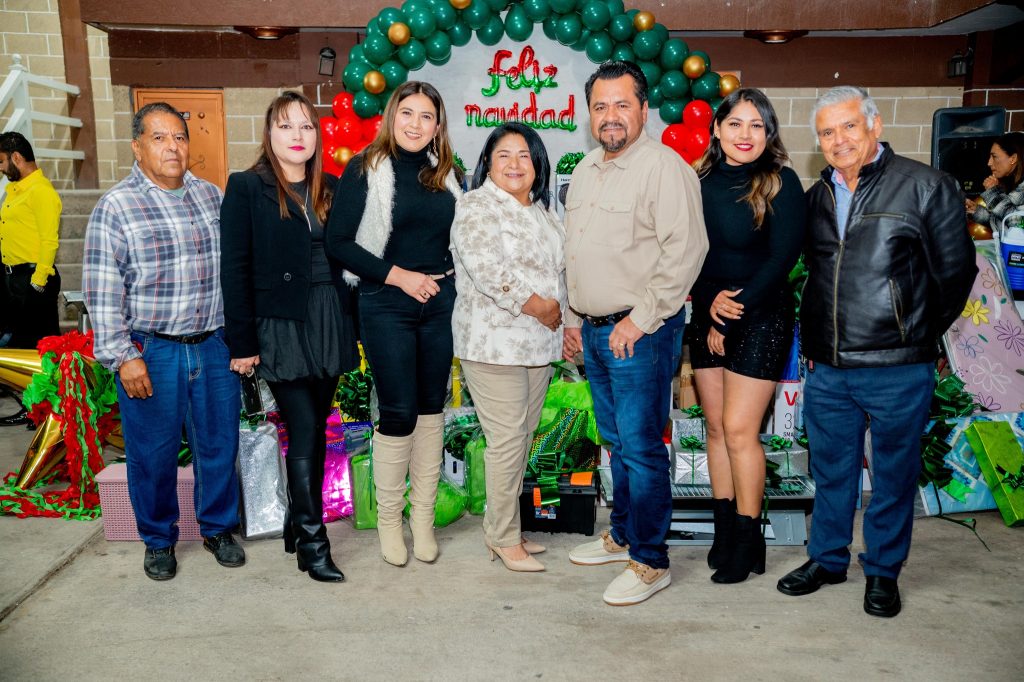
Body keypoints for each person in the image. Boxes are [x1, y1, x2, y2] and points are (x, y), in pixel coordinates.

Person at [777, 86, 976, 617]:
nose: (838, 140)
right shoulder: (815, 196)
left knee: (892, 474)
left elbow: (956, 273)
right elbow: (814, 275)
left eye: (848, 127)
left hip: (897, 366)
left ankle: (883, 571)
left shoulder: (926, 186)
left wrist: (916, 335)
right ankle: (828, 558)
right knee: (833, 472)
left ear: (874, 126)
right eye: (826, 132)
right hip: (829, 369)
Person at [562, 61, 708, 606]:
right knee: (616, 442)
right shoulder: (586, 171)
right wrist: (575, 318)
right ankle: (623, 534)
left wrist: (639, 320)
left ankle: (651, 560)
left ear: (644, 109)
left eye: (622, 104)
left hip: (639, 333)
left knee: (643, 448)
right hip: (596, 335)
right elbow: (575, 251)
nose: (611, 116)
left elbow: (686, 252)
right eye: (600, 106)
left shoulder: (666, 169)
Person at [83, 102, 245, 581]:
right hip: (152, 351)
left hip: (213, 345)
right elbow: (102, 287)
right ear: (137, 146)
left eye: (179, 137)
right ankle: (158, 539)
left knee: (218, 443)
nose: (173, 147)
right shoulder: (116, 206)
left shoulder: (211, 197)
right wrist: (123, 356)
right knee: (152, 453)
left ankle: (217, 528)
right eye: (159, 138)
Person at [221, 92, 358, 583]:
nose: (297, 135)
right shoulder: (246, 188)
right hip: (280, 323)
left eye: (306, 126)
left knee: (315, 426)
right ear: (270, 133)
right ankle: (313, 542)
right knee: (303, 427)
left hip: (329, 317)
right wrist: (242, 343)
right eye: (286, 126)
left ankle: (292, 524)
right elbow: (233, 269)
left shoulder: (334, 188)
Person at [327, 81, 462, 567]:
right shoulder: (366, 168)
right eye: (407, 113)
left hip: (440, 303)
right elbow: (338, 242)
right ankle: (389, 522)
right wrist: (400, 276)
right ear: (392, 116)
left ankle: (421, 520)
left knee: (432, 409)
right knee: (399, 411)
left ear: (438, 126)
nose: (415, 124)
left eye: (427, 116)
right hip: (386, 301)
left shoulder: (448, 175)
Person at [689, 88, 806, 584]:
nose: (745, 135)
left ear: (769, 134)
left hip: (760, 314)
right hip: (708, 311)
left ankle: (749, 537)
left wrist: (727, 315)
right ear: (717, 129)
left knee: (740, 431)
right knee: (715, 430)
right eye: (736, 123)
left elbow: (781, 261)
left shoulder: (781, 182)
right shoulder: (694, 180)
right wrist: (707, 306)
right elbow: (680, 251)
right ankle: (723, 533)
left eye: (757, 126)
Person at [451, 122, 566, 573]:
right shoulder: (476, 205)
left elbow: (561, 274)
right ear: (488, 163)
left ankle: (508, 529)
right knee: (506, 441)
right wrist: (539, 306)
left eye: (524, 155)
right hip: (493, 343)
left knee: (521, 438)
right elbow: (487, 270)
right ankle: (500, 537)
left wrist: (566, 323)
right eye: (504, 155)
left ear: (538, 164)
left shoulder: (544, 211)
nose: (515, 164)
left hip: (540, 344)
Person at [0, 132, 62, 355]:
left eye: (1, 161)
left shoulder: (41, 191)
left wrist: (38, 282)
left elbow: (49, 240)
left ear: (16, 157)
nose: (1, 168)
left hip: (32, 279)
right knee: (15, 347)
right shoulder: (16, 191)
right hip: (12, 279)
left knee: (37, 350)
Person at [966, 131, 1024, 229]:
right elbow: (1003, 222)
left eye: (994, 156)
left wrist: (993, 194)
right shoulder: (1012, 184)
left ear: (1013, 159)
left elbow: (1017, 223)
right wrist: (977, 211)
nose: (989, 163)